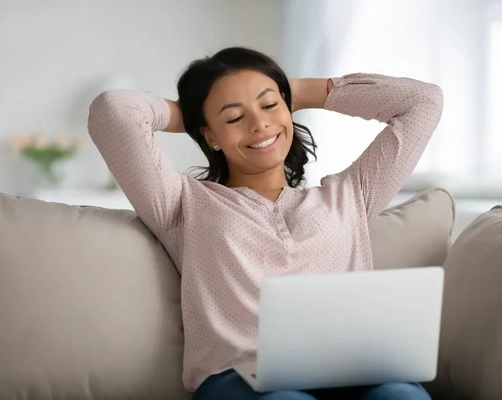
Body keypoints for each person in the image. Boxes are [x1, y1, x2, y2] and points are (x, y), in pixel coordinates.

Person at [88, 46, 443, 400]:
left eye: (270, 105)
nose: (259, 124)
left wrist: (299, 91)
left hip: (352, 372)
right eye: (233, 117)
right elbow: (113, 112)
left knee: (401, 395)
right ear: (210, 136)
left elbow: (423, 101)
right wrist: (191, 114)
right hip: (240, 380)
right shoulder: (183, 204)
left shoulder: (352, 194)